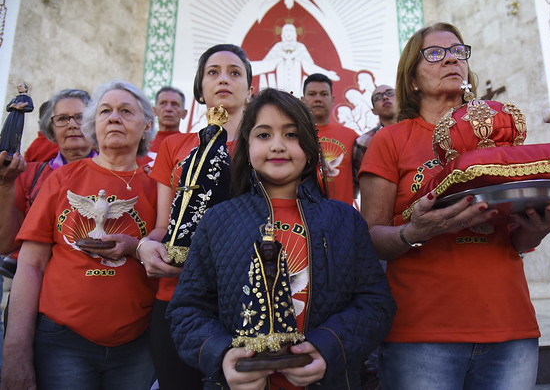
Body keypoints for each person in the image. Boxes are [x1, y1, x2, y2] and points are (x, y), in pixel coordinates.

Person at [359, 22, 550, 389]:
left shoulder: (499, 136)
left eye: (458, 52)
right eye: (435, 53)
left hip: (509, 325)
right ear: (411, 79)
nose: (451, 59)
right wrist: (415, 232)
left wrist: (539, 228)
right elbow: (371, 239)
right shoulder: (391, 140)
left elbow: (515, 239)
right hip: (422, 331)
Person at [166, 88, 396, 389]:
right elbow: (186, 310)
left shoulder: (345, 220)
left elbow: (375, 303)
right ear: (247, 145)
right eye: (263, 135)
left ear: (310, 147)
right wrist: (222, 355)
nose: (277, 145)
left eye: (291, 134)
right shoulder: (217, 221)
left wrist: (328, 347)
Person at [1, 80, 158, 389]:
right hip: (63, 342)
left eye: (126, 111)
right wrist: (15, 349)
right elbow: (30, 265)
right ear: (93, 125)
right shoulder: (61, 179)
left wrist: (135, 247)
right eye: (105, 111)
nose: (114, 118)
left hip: (138, 346)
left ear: (147, 125)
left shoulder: (159, 189)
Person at [137, 44, 253, 389]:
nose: (223, 79)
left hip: (245, 295)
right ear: (200, 88)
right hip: (177, 293)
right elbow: (163, 227)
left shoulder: (265, 147)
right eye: (213, 72)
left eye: (234, 73)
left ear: (250, 90)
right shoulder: (173, 146)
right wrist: (144, 248)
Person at [0, 89, 97, 279]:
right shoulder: (28, 174)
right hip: (35, 279)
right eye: (62, 119)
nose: (71, 125)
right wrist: (5, 185)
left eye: (80, 117)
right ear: (51, 128)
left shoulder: (115, 175)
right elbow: (5, 244)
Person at [301, 73, 359, 205]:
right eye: (312, 94)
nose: (318, 99)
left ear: (332, 99)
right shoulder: (293, 135)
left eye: (324, 94)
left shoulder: (351, 137)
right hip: (304, 215)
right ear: (302, 100)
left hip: (342, 215)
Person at [251, 23, 340, 97]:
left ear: (295, 34)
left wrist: (327, 74)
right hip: (279, 91)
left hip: (297, 89)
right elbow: (266, 65)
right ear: (282, 34)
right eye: (286, 31)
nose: (288, 34)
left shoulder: (300, 48)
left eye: (291, 31)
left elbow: (309, 67)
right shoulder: (278, 47)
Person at [352, 84, 397, 178]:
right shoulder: (363, 142)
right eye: (377, 97)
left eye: (389, 93)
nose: (385, 97)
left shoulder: (417, 131)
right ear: (374, 111)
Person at [0, 83, 34, 159]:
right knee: (5, 132)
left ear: (25, 89)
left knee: (15, 133)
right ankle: (3, 148)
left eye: (20, 86)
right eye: (18, 86)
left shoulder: (27, 98)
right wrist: (11, 106)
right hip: (10, 118)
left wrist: (21, 108)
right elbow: (8, 107)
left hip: (18, 118)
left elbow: (30, 108)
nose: (18, 87)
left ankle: (12, 150)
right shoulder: (15, 98)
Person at [149, 86, 187, 153]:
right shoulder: (142, 147)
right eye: (163, 103)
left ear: (184, 113)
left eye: (174, 104)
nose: (168, 109)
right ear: (154, 111)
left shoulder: (191, 147)